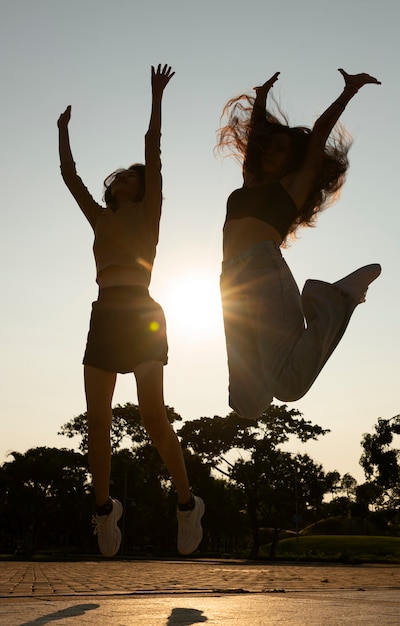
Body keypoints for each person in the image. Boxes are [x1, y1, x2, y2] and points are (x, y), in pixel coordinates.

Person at [58, 64, 204, 557]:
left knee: (150, 415)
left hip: (143, 311)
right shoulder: (100, 217)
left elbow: (153, 153)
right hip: (105, 315)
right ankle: (104, 513)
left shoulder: (149, 213)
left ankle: (187, 505)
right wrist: (63, 132)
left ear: (140, 189)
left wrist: (156, 97)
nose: (124, 177)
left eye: (131, 176)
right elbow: (69, 177)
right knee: (96, 422)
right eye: (119, 176)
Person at [217, 68, 381, 420]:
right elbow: (255, 135)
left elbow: (319, 134)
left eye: (281, 149)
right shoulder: (251, 181)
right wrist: (260, 98)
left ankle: (337, 298)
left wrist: (347, 92)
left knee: (288, 387)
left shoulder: (295, 186)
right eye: (271, 147)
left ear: (293, 159)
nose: (272, 152)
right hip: (229, 280)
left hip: (263, 269)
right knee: (247, 403)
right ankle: (330, 302)